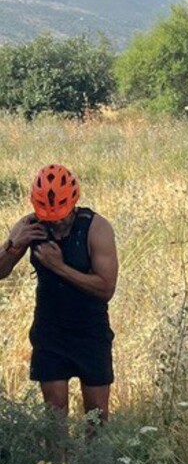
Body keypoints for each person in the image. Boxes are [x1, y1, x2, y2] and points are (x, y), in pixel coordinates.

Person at [0, 164, 118, 431]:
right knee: (54, 421)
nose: (55, 222)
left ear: (73, 204)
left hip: (91, 332)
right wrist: (13, 245)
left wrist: (59, 267)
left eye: (61, 216)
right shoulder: (30, 225)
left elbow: (106, 288)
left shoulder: (96, 228)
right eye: (48, 216)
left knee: (97, 421)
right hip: (50, 332)